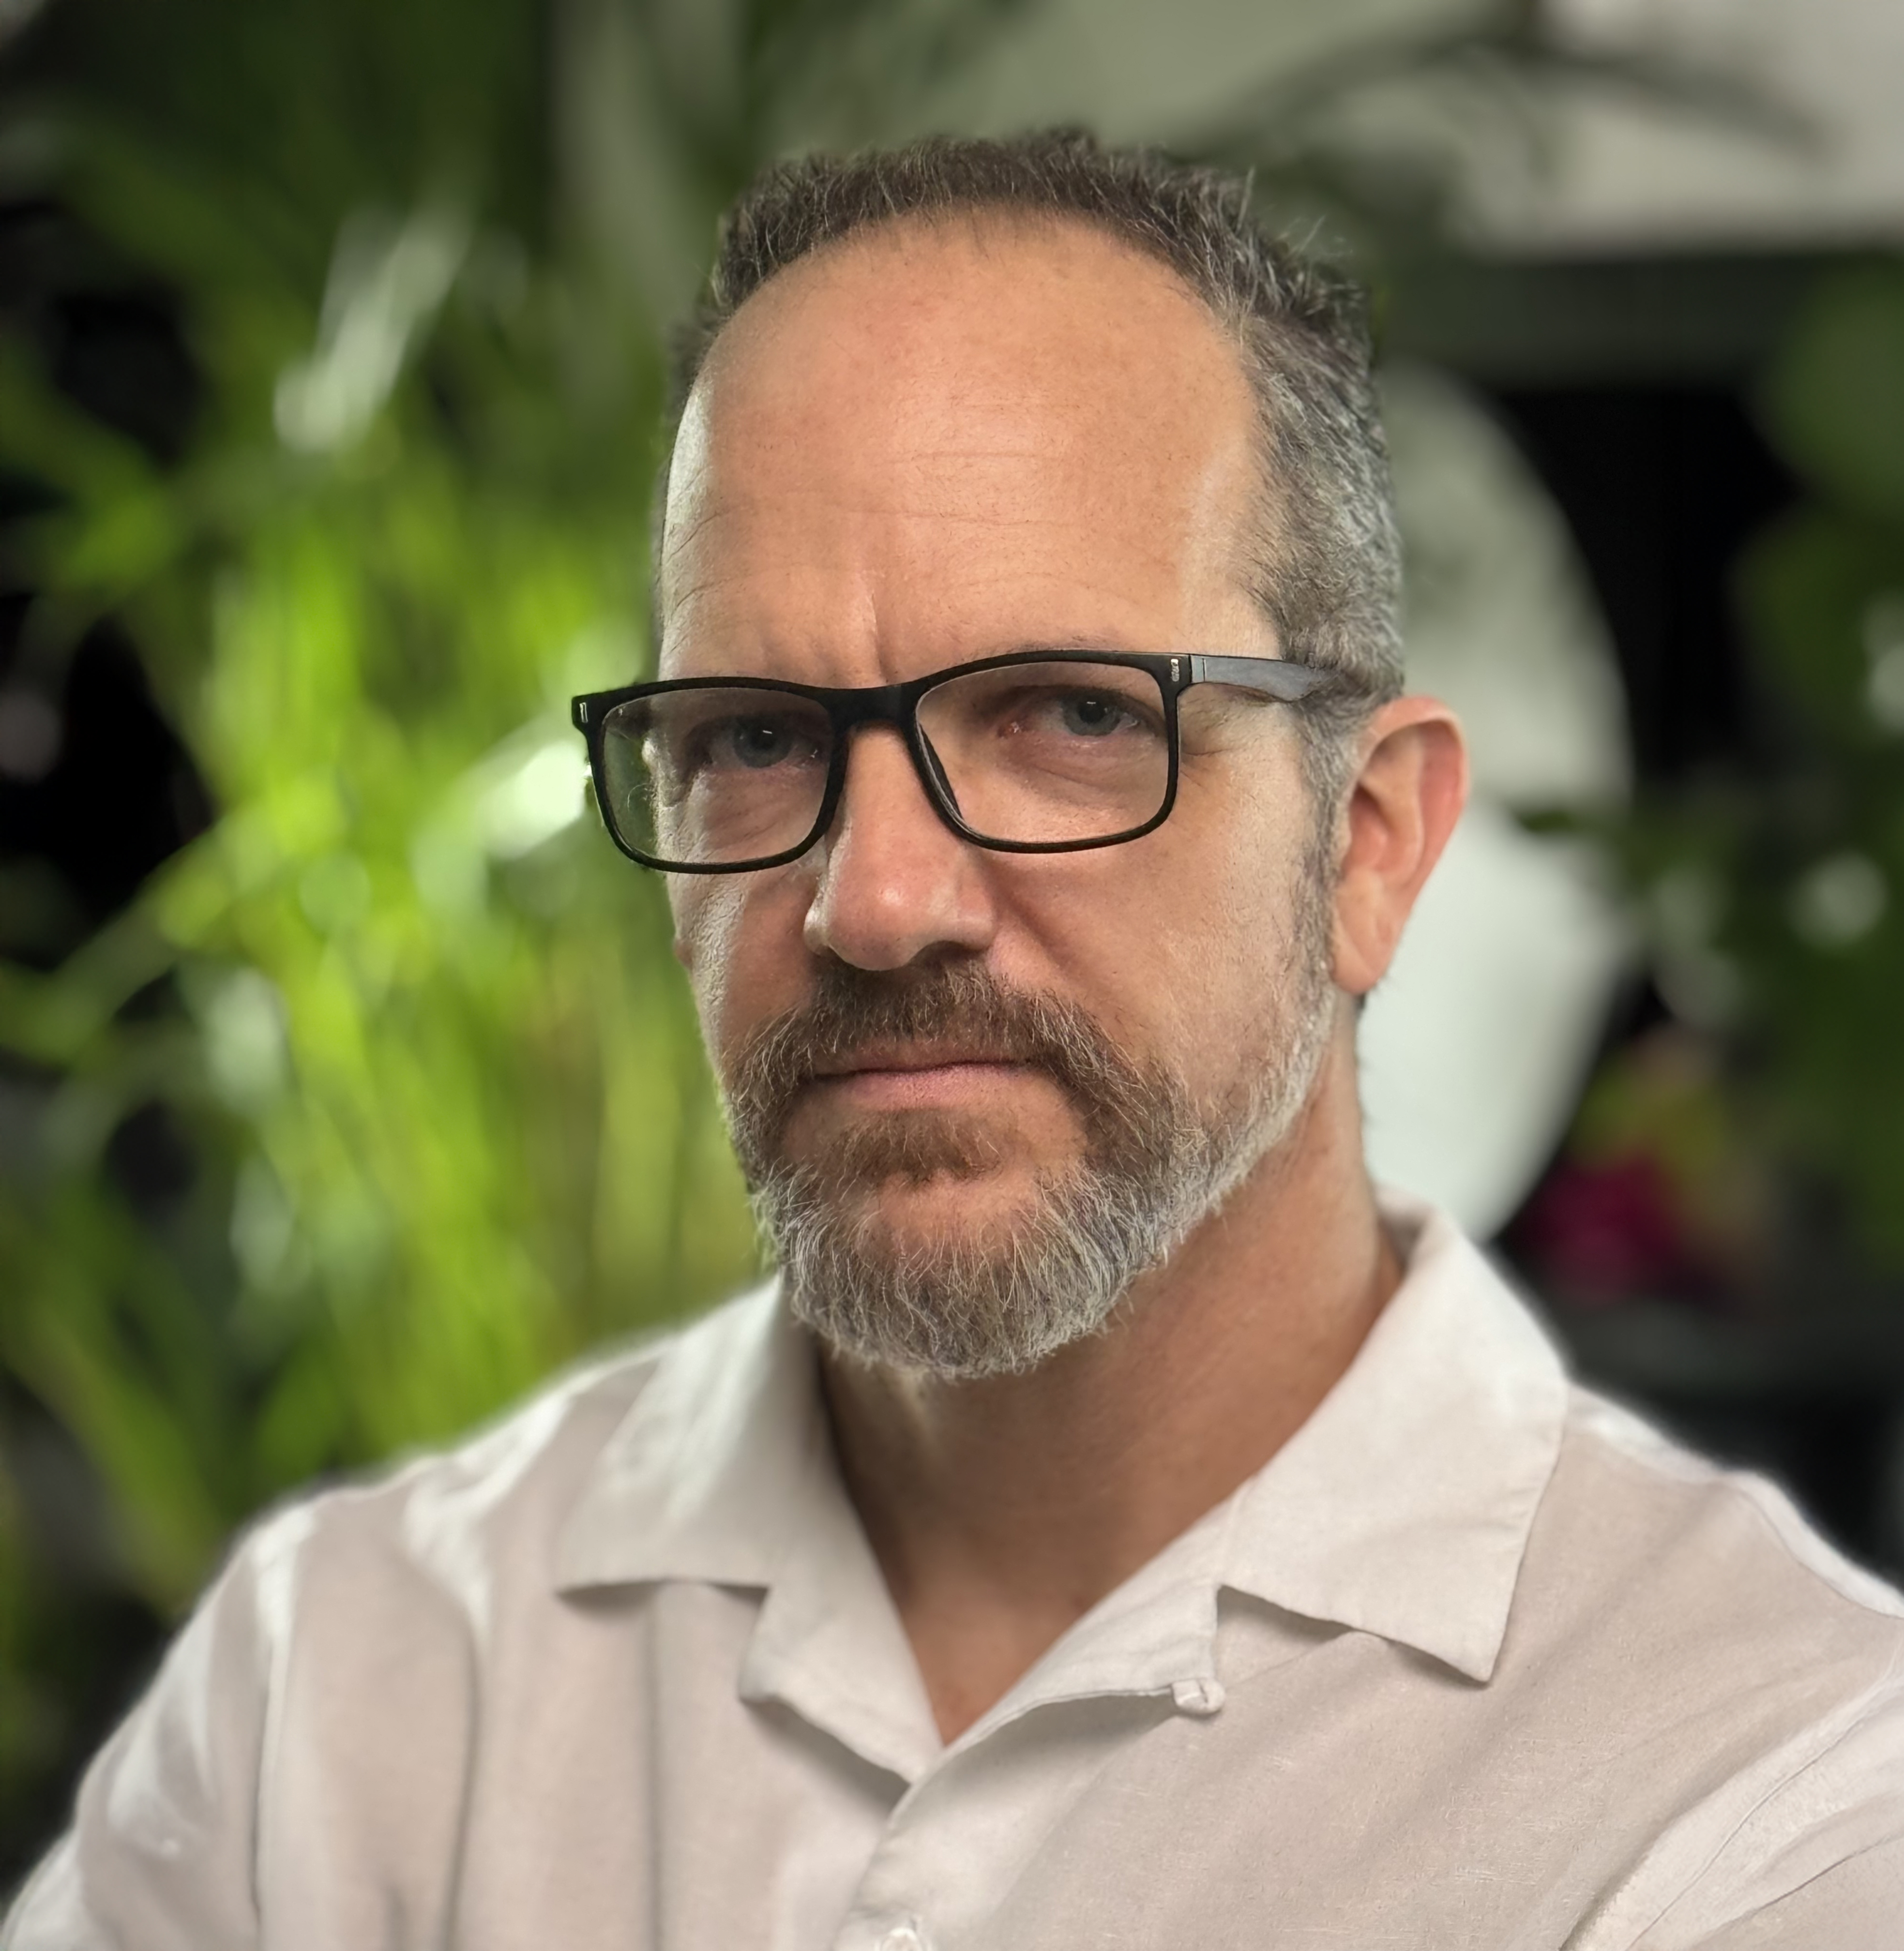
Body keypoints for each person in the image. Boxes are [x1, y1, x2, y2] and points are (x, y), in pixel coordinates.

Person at [8, 132, 1903, 1951]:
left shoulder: (1764, 1799)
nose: (878, 898)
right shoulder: (335, 1701)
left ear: (1369, 845)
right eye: (754, 739)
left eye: (1070, 715)